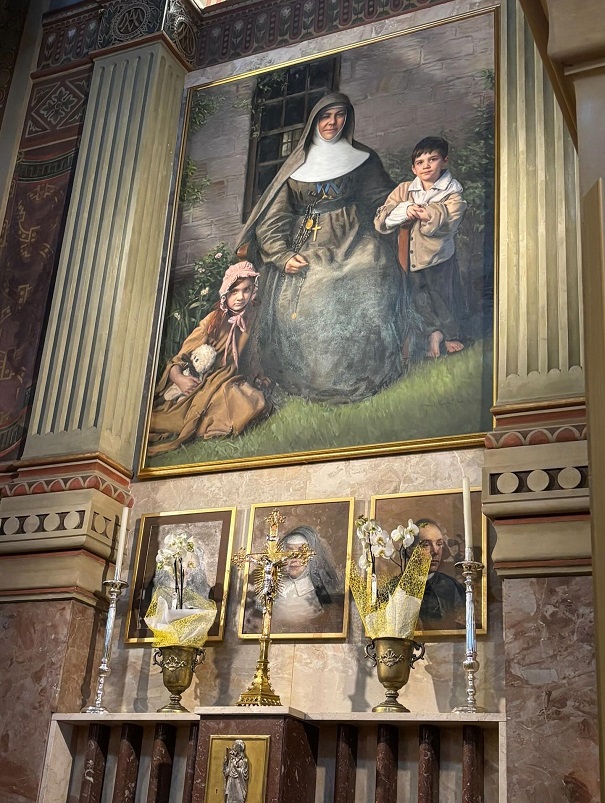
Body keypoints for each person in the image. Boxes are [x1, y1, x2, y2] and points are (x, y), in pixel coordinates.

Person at [237, 92, 407, 404]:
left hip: (354, 237)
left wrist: (401, 209)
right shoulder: (296, 166)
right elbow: (274, 218)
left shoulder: (363, 158)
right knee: (318, 284)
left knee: (372, 268)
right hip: (307, 243)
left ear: (348, 119)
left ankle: (367, 372)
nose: (332, 122)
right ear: (314, 121)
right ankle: (320, 379)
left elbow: (381, 197)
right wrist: (282, 255)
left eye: (339, 115)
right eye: (326, 116)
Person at [147, 262, 268, 455]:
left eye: (246, 290)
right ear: (225, 294)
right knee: (216, 406)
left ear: (253, 290)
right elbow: (180, 358)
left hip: (226, 377)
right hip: (203, 379)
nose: (240, 297)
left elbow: (252, 352)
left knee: (252, 401)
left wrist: (257, 373)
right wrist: (179, 378)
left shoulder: (251, 317)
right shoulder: (212, 321)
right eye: (234, 292)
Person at [375, 136, 467, 358]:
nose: (426, 166)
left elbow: (451, 219)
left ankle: (451, 335)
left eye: (432, 159)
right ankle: (433, 334)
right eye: (420, 162)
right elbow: (383, 217)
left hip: (438, 256)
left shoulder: (451, 192)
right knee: (417, 298)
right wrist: (405, 210)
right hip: (409, 257)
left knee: (442, 297)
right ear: (413, 168)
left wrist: (428, 214)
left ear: (444, 161)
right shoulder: (405, 190)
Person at [416, 518, 465, 630]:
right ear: (410, 549)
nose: (435, 551)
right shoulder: (396, 588)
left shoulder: (453, 587)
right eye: (426, 544)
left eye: (439, 544)